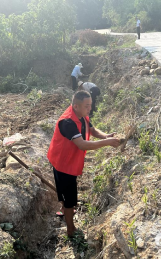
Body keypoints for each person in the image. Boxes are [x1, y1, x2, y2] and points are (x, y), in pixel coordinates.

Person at [47, 91, 120, 237]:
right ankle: (70, 229)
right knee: (70, 199)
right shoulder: (67, 122)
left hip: (69, 161)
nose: (90, 109)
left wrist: (106, 136)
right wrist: (107, 143)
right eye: (87, 106)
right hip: (63, 165)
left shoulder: (81, 115)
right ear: (76, 106)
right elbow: (82, 144)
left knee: (65, 193)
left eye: (90, 105)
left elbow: (92, 130)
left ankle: (65, 208)